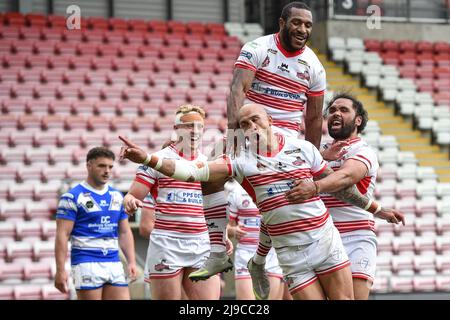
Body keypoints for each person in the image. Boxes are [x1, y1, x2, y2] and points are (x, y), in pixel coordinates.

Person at [118, 103, 404, 300]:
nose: (250, 125)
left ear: (269, 120)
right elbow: (190, 173)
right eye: (243, 124)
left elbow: (340, 186)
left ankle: (258, 260)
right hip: (291, 253)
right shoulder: (241, 162)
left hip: (324, 240)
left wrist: (378, 210)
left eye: (255, 119)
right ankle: (257, 260)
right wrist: (146, 158)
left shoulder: (303, 149)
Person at [188, 1, 338, 282]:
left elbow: (315, 117)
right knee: (209, 174)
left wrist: (311, 156)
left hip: (287, 140)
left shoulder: (314, 66)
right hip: (251, 131)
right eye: (297, 23)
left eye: (308, 25)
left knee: (273, 201)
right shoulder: (257, 49)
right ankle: (219, 252)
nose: (303, 29)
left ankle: (260, 260)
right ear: (282, 23)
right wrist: (233, 134)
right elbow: (237, 90)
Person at [285, 93, 401, 299]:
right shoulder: (316, 153)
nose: (336, 113)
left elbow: (346, 177)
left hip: (354, 236)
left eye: (344, 110)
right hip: (318, 238)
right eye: (332, 110)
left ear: (358, 120)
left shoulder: (363, 151)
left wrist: (314, 186)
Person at [121, 104, 222, 300]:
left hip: (201, 243)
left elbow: (211, 207)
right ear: (176, 129)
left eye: (200, 127)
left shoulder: (208, 163)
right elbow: (133, 195)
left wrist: (220, 234)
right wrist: (130, 201)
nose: (195, 131)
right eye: (189, 126)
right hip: (167, 244)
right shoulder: (156, 160)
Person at [54, 147, 137, 300]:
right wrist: (60, 270)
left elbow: (124, 231)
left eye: (110, 167)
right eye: (101, 166)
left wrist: (131, 261)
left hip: (113, 262)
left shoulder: (117, 196)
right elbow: (62, 235)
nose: (107, 171)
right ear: (89, 166)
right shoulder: (72, 197)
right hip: (86, 262)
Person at [226, 179, 284, 300]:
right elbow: (227, 226)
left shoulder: (276, 186)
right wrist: (233, 230)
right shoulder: (236, 191)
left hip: (272, 254)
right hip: (246, 254)